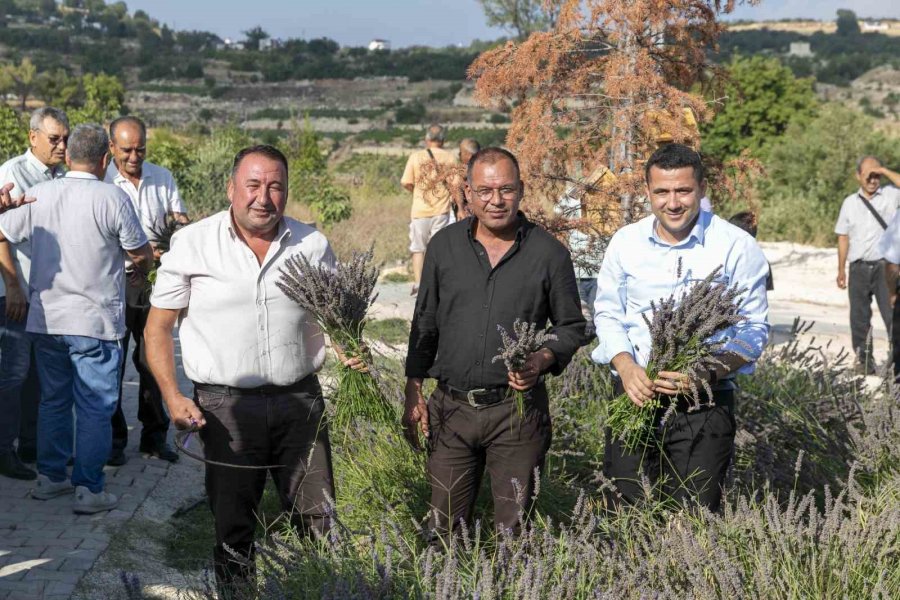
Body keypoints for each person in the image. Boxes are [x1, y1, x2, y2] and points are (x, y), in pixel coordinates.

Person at [143, 145, 364, 597]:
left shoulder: (312, 243)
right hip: (225, 408)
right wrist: (172, 396)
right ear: (231, 188)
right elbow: (157, 330)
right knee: (234, 525)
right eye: (253, 185)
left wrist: (347, 346)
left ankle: (315, 590)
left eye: (275, 186)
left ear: (286, 191)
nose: (263, 197)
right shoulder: (192, 245)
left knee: (319, 522)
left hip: (300, 403)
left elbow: (335, 315)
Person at [403, 147, 586, 542]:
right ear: (466, 192)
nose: (496, 200)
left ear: (521, 191)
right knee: (443, 528)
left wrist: (542, 358)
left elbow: (572, 326)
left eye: (506, 189)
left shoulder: (549, 253)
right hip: (451, 411)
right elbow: (425, 323)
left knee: (514, 531)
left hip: (517, 413)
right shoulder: (444, 247)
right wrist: (413, 389)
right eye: (485, 190)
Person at [592, 143, 770, 512]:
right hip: (633, 396)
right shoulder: (626, 242)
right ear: (648, 193)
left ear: (701, 190)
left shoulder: (737, 247)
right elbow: (607, 313)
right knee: (625, 515)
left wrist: (705, 371)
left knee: (692, 520)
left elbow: (754, 331)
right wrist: (626, 367)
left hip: (704, 404)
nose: (672, 203)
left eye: (683, 191)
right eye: (662, 192)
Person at [0, 123, 153, 513]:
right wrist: (139, 267)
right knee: (94, 405)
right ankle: (89, 488)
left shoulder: (38, 194)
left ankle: (51, 479)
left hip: (47, 319)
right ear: (105, 160)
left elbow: (6, 232)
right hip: (95, 322)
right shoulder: (112, 198)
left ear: (68, 157)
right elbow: (140, 252)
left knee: (53, 400)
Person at [105, 116, 189, 465]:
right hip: (116, 282)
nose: (134, 156)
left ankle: (155, 438)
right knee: (113, 362)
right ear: (111, 148)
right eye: (126, 150)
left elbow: (180, 222)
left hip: (156, 283)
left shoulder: (163, 177)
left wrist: (170, 242)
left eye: (140, 148)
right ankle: (114, 441)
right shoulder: (101, 180)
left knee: (153, 361)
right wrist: (135, 252)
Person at [0, 107, 69, 480]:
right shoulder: (15, 173)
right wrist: (12, 285)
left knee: (35, 375)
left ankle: (31, 443)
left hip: (43, 293)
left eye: (65, 139)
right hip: (15, 290)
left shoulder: (58, 175)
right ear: (33, 137)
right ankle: (4, 449)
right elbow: (0, 233)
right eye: (54, 138)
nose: (62, 145)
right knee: (13, 372)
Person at [835, 156, 900, 375]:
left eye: (876, 175)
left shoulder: (891, 195)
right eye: (868, 175)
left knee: (892, 315)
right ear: (858, 176)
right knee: (859, 318)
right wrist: (840, 269)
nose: (873, 180)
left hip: (886, 268)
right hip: (858, 267)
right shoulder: (849, 203)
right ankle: (864, 360)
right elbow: (843, 237)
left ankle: (896, 361)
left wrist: (883, 169)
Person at [401, 124, 458, 295]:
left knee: (418, 248)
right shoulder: (450, 157)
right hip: (441, 210)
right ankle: (436, 284)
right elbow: (455, 185)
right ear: (443, 140)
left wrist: (417, 192)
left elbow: (406, 182)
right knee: (438, 249)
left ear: (426, 139)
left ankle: (419, 284)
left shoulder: (415, 157)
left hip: (419, 211)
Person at [453, 138, 481, 220]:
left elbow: (457, 188)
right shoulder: (484, 166)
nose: (459, 155)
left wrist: (460, 209)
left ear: (467, 154)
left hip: (468, 213)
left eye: (461, 152)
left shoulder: (463, 170)